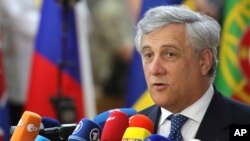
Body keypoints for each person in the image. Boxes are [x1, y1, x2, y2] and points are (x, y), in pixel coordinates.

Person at [136, 5, 250, 141]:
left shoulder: (244, 123)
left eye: (170, 54)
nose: (154, 69)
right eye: (148, 55)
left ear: (204, 61)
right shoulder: (130, 128)